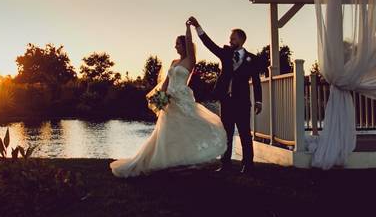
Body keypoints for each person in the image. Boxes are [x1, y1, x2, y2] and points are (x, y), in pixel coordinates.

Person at [109, 21, 226, 178]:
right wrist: (160, 98)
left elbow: (190, 45)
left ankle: (182, 160)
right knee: (166, 132)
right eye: (175, 44)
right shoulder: (173, 62)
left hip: (182, 100)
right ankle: (164, 161)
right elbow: (165, 83)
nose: (175, 46)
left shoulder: (190, 61)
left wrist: (188, 28)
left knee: (185, 130)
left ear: (184, 45)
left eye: (178, 44)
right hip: (170, 101)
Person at [187, 16, 262, 174]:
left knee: (244, 134)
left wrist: (259, 102)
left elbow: (256, 81)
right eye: (230, 38)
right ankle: (225, 164)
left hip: (242, 102)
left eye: (233, 38)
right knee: (226, 134)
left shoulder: (252, 59)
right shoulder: (225, 53)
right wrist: (198, 27)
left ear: (241, 40)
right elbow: (209, 44)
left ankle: (248, 165)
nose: (230, 41)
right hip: (226, 101)